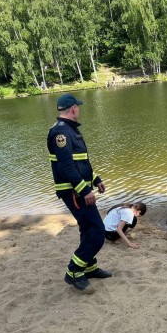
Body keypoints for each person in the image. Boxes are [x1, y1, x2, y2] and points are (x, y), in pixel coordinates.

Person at [47, 93, 111, 291]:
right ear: (73, 108)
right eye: (78, 107)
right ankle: (74, 270)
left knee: (87, 229)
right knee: (98, 232)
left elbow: (81, 163)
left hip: (80, 189)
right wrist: (84, 190)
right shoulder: (61, 133)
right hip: (74, 192)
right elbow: (67, 167)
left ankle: (89, 266)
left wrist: (95, 179)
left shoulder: (70, 130)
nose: (79, 110)